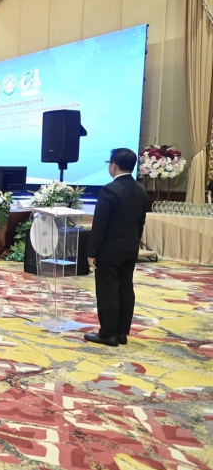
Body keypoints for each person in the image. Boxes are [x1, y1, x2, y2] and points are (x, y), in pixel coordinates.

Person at [85, 148, 149, 347]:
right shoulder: (140, 189)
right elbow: (141, 222)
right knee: (126, 289)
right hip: (130, 248)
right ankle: (122, 333)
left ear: (113, 165)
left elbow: (100, 225)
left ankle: (108, 334)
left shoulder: (109, 190)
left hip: (109, 250)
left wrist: (92, 252)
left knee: (108, 291)